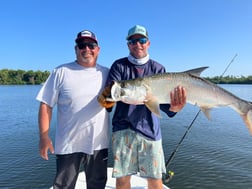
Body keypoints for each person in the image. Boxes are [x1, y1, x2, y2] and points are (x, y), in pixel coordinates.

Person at [98, 25, 186, 189]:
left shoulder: (158, 68)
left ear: (148, 43)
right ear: (128, 45)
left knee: (155, 181)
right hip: (122, 129)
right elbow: (111, 95)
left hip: (151, 131)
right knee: (123, 180)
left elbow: (167, 108)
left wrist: (176, 107)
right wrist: (107, 100)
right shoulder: (119, 66)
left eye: (142, 40)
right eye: (133, 41)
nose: (137, 44)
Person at [36, 30, 110, 189]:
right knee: (63, 186)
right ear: (76, 49)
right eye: (82, 45)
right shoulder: (60, 72)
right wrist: (44, 136)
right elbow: (46, 105)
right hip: (67, 145)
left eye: (91, 45)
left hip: (98, 144)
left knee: (97, 185)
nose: (87, 49)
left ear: (98, 49)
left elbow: (123, 98)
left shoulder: (108, 73)